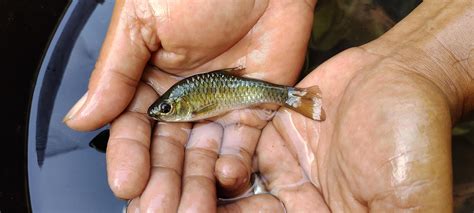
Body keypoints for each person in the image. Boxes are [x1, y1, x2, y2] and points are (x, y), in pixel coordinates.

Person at [64, 0, 473, 211]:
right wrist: (430, 59)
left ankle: (294, 99)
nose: (163, 114)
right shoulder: (186, 96)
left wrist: (434, 62)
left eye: (166, 111)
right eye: (166, 112)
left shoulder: (189, 100)